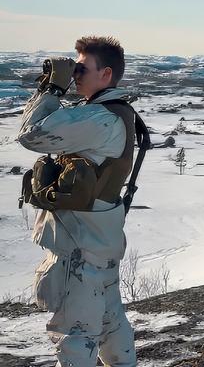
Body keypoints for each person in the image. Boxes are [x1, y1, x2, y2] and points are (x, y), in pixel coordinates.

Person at [18, 36, 138, 366]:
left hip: (80, 247)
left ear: (106, 74)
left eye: (82, 68)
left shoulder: (100, 120)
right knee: (111, 328)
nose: (75, 74)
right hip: (101, 243)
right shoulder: (114, 113)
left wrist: (53, 88)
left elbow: (31, 135)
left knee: (75, 337)